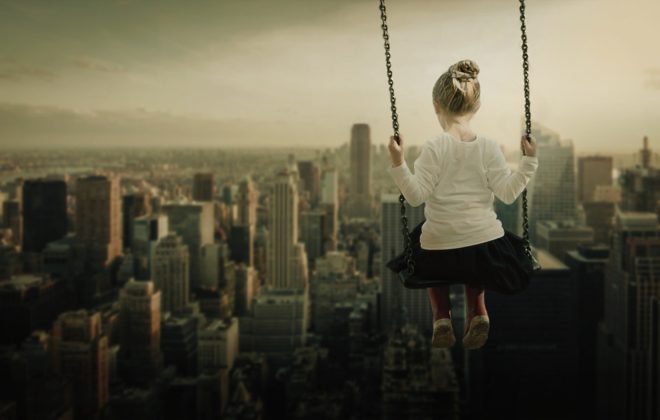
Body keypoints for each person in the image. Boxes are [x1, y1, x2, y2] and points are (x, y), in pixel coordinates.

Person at [386, 59, 538, 349]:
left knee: (425, 245)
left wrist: (398, 162)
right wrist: (528, 161)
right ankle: (478, 311)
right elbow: (507, 193)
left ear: (435, 105)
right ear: (477, 106)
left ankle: (441, 316)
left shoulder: (434, 147)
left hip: (439, 243)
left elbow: (416, 195)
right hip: (483, 242)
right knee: (476, 253)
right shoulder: (489, 147)